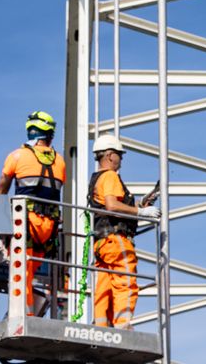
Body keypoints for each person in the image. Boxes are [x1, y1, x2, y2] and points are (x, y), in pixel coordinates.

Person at [0, 111, 66, 316]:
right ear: (50, 134)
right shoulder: (60, 161)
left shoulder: (17, 156)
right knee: (31, 269)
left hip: (25, 223)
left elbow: (0, 192)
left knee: (21, 271)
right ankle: (31, 308)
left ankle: (23, 314)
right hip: (49, 228)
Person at [87, 134, 160, 330]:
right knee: (125, 282)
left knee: (104, 287)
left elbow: (112, 205)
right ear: (110, 155)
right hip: (116, 240)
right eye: (119, 154)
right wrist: (140, 211)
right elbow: (112, 206)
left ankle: (102, 326)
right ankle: (122, 325)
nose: (121, 159)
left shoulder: (97, 179)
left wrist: (141, 204)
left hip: (102, 242)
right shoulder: (110, 176)